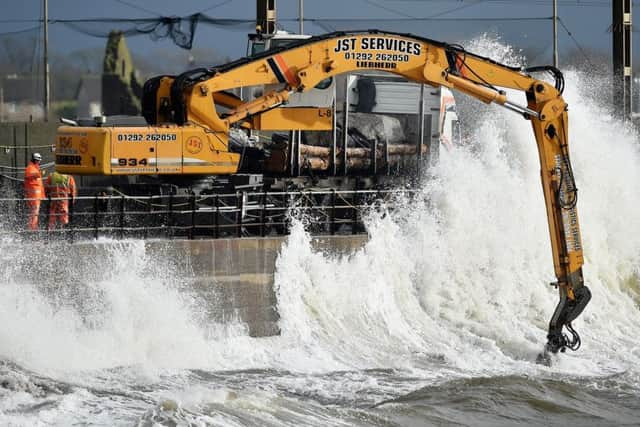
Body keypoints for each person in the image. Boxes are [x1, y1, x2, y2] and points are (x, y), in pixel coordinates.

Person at [24, 152, 45, 231]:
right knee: (34, 211)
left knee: (34, 211)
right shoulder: (30, 168)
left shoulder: (35, 168)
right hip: (34, 194)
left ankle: (32, 227)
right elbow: (28, 175)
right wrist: (38, 174)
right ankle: (32, 228)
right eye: (38, 160)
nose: (39, 161)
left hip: (36, 194)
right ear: (35, 160)